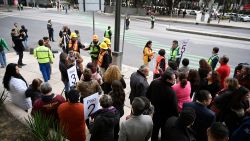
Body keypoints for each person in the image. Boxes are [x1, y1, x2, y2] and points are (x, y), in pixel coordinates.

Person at [146, 70, 178, 141]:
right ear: (168, 80)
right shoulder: (171, 92)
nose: (174, 81)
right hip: (165, 117)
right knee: (164, 132)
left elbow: (147, 95)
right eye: (173, 80)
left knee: (154, 131)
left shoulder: (154, 82)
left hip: (154, 113)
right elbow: (174, 108)